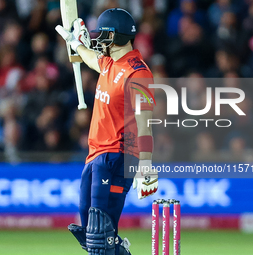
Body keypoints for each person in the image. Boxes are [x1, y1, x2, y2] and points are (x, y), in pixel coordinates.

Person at [56, 8, 158, 255]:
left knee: (100, 234)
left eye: (103, 34)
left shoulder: (138, 73)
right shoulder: (109, 63)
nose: (99, 39)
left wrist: (146, 164)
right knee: (91, 231)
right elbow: (92, 59)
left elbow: (145, 122)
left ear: (118, 36)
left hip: (118, 156)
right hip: (95, 154)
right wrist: (76, 45)